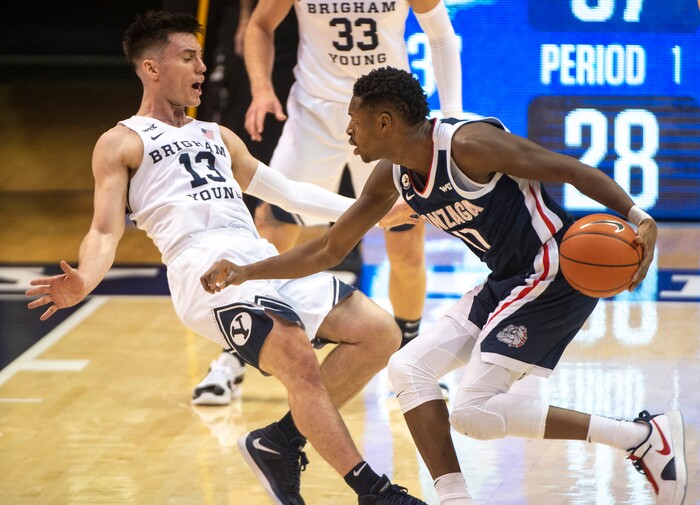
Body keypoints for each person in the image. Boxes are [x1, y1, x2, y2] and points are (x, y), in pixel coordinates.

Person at [200, 67, 688, 505]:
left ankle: (638, 436)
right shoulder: (391, 175)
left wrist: (637, 216)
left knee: (473, 413)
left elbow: (568, 168)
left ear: (385, 121)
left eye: (355, 119)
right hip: (507, 279)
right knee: (407, 368)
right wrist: (247, 272)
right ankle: (454, 498)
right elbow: (328, 248)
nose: (347, 130)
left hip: (553, 270)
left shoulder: (468, 145)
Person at [24, 16, 427, 505]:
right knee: (298, 357)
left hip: (257, 259)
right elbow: (105, 229)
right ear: (151, 68)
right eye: (187, 57)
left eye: (199, 56)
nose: (200, 67)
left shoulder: (218, 135)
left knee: (379, 333)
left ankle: (277, 441)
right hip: (203, 271)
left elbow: (290, 192)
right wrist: (85, 277)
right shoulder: (122, 141)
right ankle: (373, 491)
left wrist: (372, 211)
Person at [243, 0, 464, 351]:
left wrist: (452, 115)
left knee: (406, 245)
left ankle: (409, 353)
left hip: (387, 116)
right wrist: (261, 89)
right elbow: (259, 25)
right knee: (271, 229)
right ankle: (235, 352)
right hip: (315, 111)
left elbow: (440, 35)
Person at [161, 0, 301, 406]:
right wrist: (245, 19)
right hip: (293, 75)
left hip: (347, 77)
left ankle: (408, 352)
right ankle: (235, 349)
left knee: (398, 230)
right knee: (274, 216)